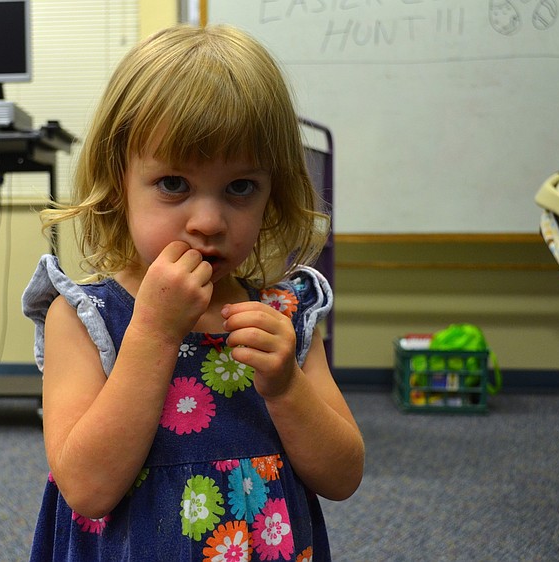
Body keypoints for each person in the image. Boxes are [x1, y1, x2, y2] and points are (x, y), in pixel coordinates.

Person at [22, 23, 364, 562]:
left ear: (272, 193)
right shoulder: (84, 317)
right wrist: (154, 331)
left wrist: (285, 386)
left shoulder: (286, 317)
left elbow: (343, 476)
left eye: (240, 188)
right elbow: (87, 488)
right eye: (174, 185)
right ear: (119, 182)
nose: (208, 221)